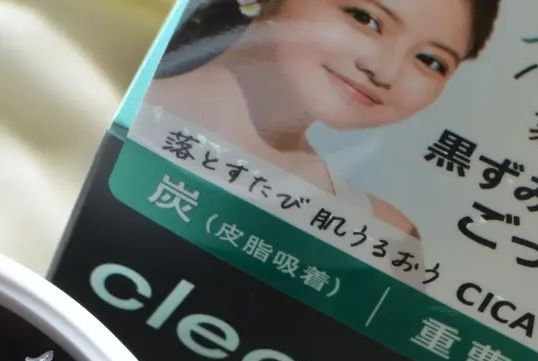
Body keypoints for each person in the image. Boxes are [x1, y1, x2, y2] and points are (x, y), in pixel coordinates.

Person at [147, 0, 501, 237]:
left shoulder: (384, 235)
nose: (385, 71)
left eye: (430, 61)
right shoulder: (121, 93)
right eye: (365, 19)